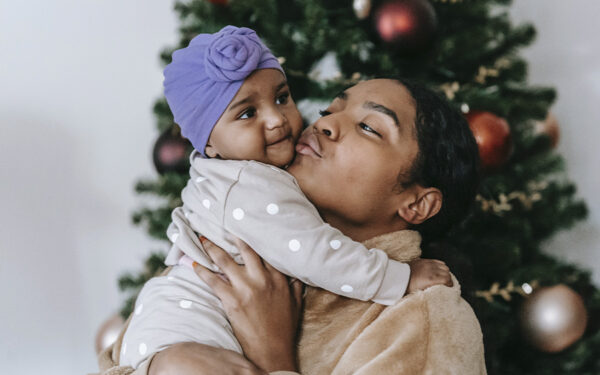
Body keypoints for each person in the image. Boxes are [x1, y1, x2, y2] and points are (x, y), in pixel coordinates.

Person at [96, 77, 486, 375]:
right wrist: (163, 365)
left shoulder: (424, 321)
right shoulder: (228, 249)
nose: (327, 125)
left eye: (369, 127)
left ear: (418, 203)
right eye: (330, 111)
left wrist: (273, 355)